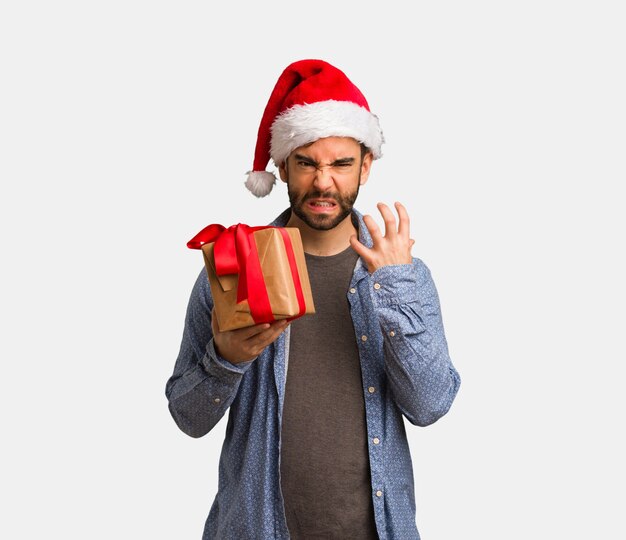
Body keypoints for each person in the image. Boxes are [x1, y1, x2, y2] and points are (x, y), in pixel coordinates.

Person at [165, 58, 461, 540]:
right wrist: (227, 361)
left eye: (342, 164)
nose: (324, 182)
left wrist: (397, 291)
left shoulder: (403, 276)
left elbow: (430, 405)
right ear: (282, 167)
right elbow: (187, 416)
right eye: (307, 163)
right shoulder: (233, 268)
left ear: (366, 164)